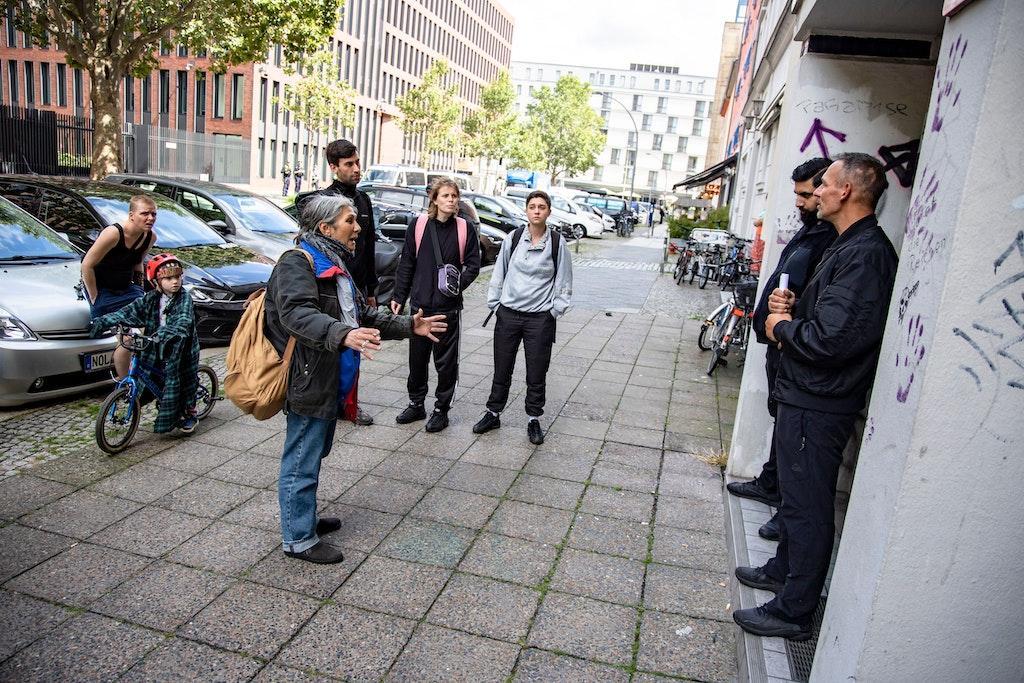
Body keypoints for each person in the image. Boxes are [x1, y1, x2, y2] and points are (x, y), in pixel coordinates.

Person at [732, 153, 898, 640]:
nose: (816, 191)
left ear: (846, 191)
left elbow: (831, 341)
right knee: (796, 500)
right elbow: (831, 317)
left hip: (820, 402)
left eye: (823, 184)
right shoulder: (849, 246)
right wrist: (794, 307)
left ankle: (794, 610)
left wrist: (782, 325)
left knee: (806, 505)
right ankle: (783, 571)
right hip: (807, 395)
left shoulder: (866, 253)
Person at [264, 195, 447, 564]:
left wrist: (408, 326)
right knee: (301, 457)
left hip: (331, 377)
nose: (359, 227)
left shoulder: (331, 260)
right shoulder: (295, 263)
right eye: (350, 221)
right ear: (325, 228)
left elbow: (359, 312)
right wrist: (343, 335)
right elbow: (297, 315)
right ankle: (297, 539)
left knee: (315, 451)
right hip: (308, 377)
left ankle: (304, 519)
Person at [727, 158, 836, 541]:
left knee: (796, 439)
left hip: (799, 348)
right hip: (784, 342)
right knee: (782, 421)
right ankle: (771, 483)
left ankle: (785, 513)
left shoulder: (834, 240)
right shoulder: (812, 231)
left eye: (807, 193)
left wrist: (788, 322)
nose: (803, 201)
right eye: (800, 194)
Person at [473, 190, 573, 445]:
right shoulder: (514, 238)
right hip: (509, 315)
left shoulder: (556, 243)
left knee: (537, 371)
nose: (537, 210)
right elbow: (500, 271)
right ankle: (493, 413)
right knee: (502, 368)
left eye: (542, 206)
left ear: (548, 212)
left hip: (540, 319)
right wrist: (495, 304)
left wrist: (554, 310)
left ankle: (533, 419)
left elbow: (564, 280)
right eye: (532, 206)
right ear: (526, 211)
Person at [295, 139, 378, 425]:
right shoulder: (323, 202)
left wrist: (370, 290)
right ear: (333, 167)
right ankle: (329, 400)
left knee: (355, 346)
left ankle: (350, 404)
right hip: (330, 285)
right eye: (349, 164)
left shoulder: (364, 200)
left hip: (355, 287)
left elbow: (369, 247)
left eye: (357, 162)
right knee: (333, 343)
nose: (356, 169)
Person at [390, 177, 480, 433]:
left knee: (446, 362)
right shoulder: (418, 226)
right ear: (434, 199)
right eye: (446, 196)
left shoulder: (465, 228)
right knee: (417, 361)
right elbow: (407, 263)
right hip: (419, 307)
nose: (451, 200)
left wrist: (457, 285)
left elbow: (473, 264)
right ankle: (416, 404)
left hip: (447, 309)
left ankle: (441, 409)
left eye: (454, 196)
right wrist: (399, 296)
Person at [90, 253, 201, 434]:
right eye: (168, 278)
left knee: (182, 381)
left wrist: (168, 331)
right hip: (156, 344)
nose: (175, 282)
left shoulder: (184, 298)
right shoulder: (151, 299)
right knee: (152, 374)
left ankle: (189, 414)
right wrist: (105, 320)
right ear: (157, 281)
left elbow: (184, 319)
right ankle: (159, 401)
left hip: (181, 348)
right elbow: (130, 311)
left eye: (177, 277)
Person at [81, 194, 158, 378]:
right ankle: (125, 385)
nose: (150, 218)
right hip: (103, 290)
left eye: (154, 214)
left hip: (127, 289)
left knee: (153, 324)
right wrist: (94, 296)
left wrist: (139, 289)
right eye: (145, 213)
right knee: (127, 339)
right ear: (132, 215)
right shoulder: (114, 233)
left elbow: (138, 262)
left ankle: (148, 373)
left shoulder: (150, 237)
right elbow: (87, 265)